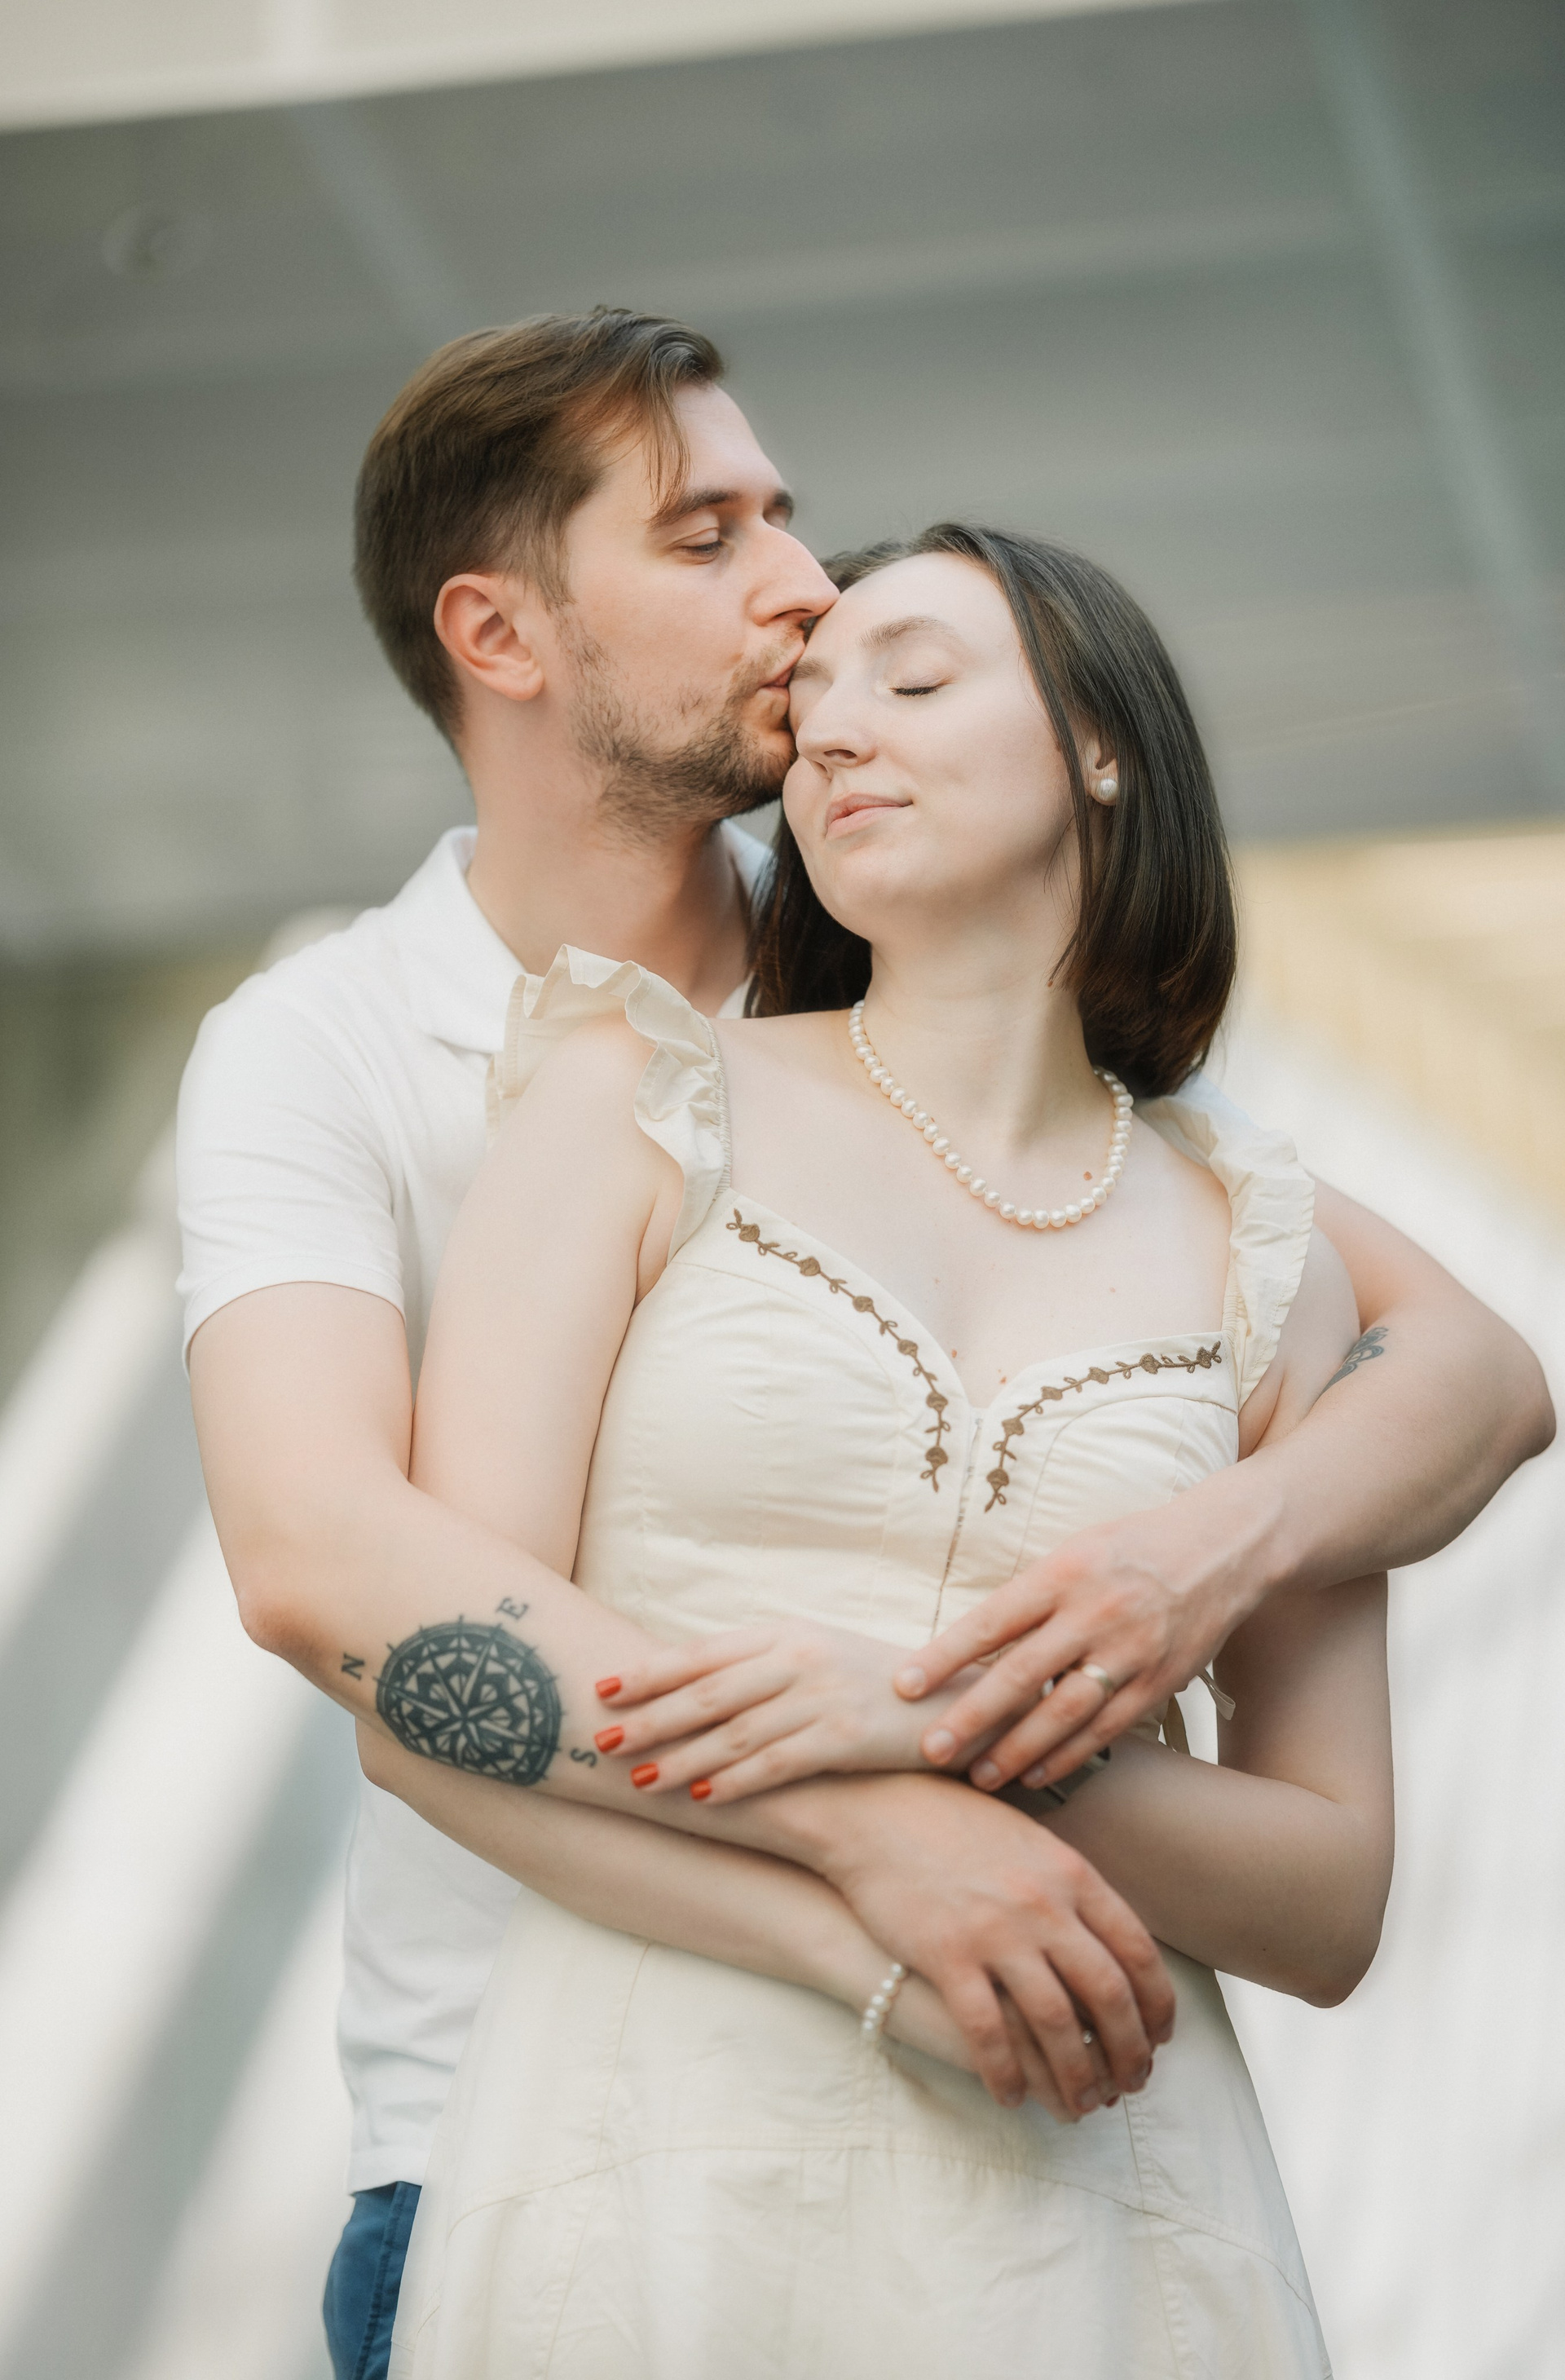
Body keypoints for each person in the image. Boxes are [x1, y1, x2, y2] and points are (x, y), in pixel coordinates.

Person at [174, 311, 1551, 2380]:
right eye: (708, 534)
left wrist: (1201, 1554)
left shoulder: (925, 978)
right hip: (531, 2110)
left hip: (1071, 2145)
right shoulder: (349, 1045)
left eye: (788, 521)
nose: (800, 590)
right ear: (501, 632)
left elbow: (1472, 1369)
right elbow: (326, 1569)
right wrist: (876, 1826)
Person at [379, 522, 1391, 2373]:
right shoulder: (636, 1094)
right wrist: (879, 1895)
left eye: (915, 679)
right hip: (656, 2160)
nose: (835, 731)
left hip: (1104, 2196)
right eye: (810, 710)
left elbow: (1329, 1899)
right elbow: (426, 1699)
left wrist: (928, 1720)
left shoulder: (1267, 1249)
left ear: (1102, 746)